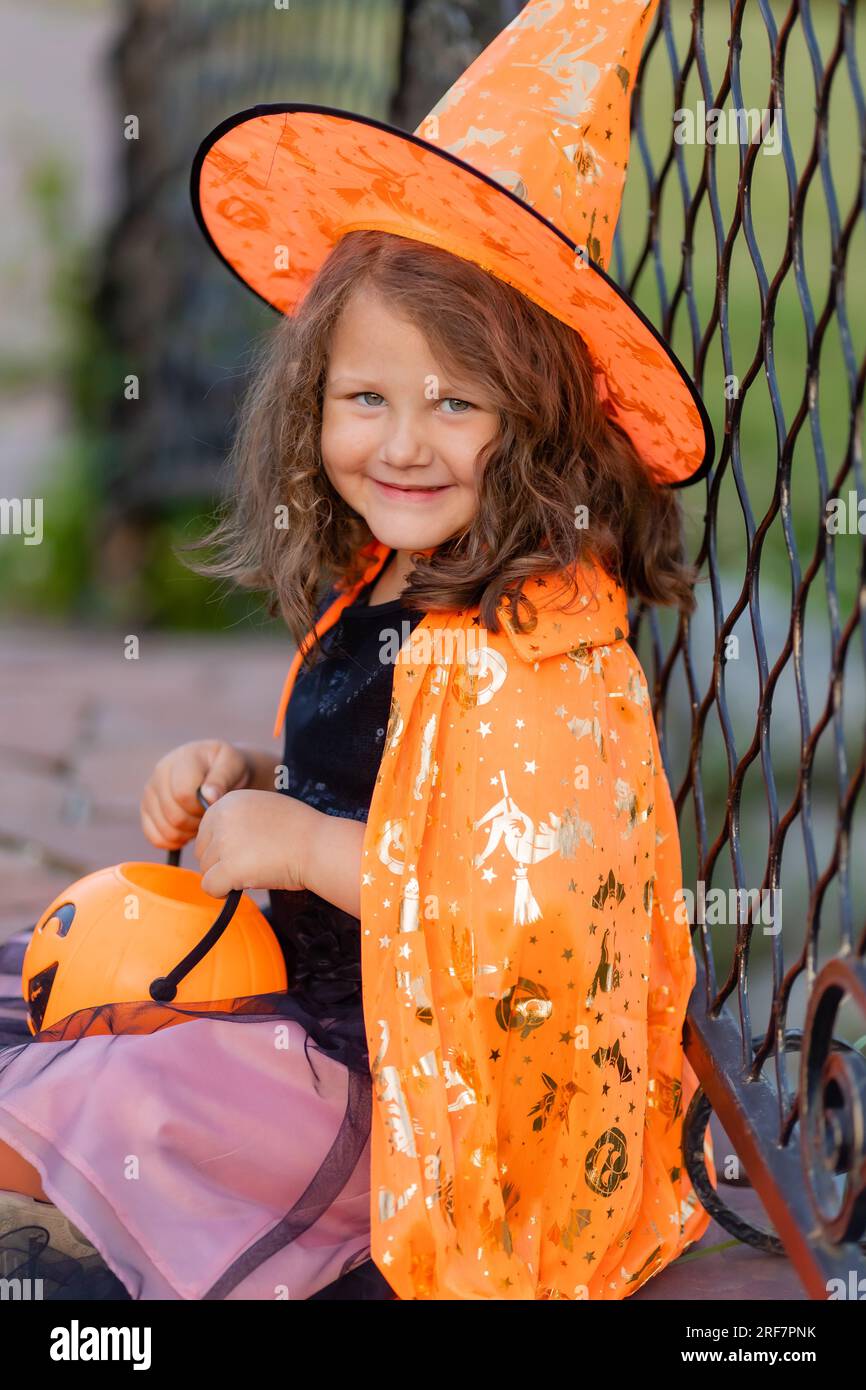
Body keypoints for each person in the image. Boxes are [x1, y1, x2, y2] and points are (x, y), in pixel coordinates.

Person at [0, 0, 717, 1300]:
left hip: (418, 1083)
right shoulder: (390, 581)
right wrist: (249, 772)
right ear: (310, 397)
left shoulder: (538, 643)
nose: (402, 441)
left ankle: (85, 1231)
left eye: (456, 403)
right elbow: (391, 770)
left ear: (542, 423)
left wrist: (313, 850)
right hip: (321, 992)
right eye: (366, 397)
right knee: (48, 987)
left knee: (125, 1079)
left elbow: (542, 914)